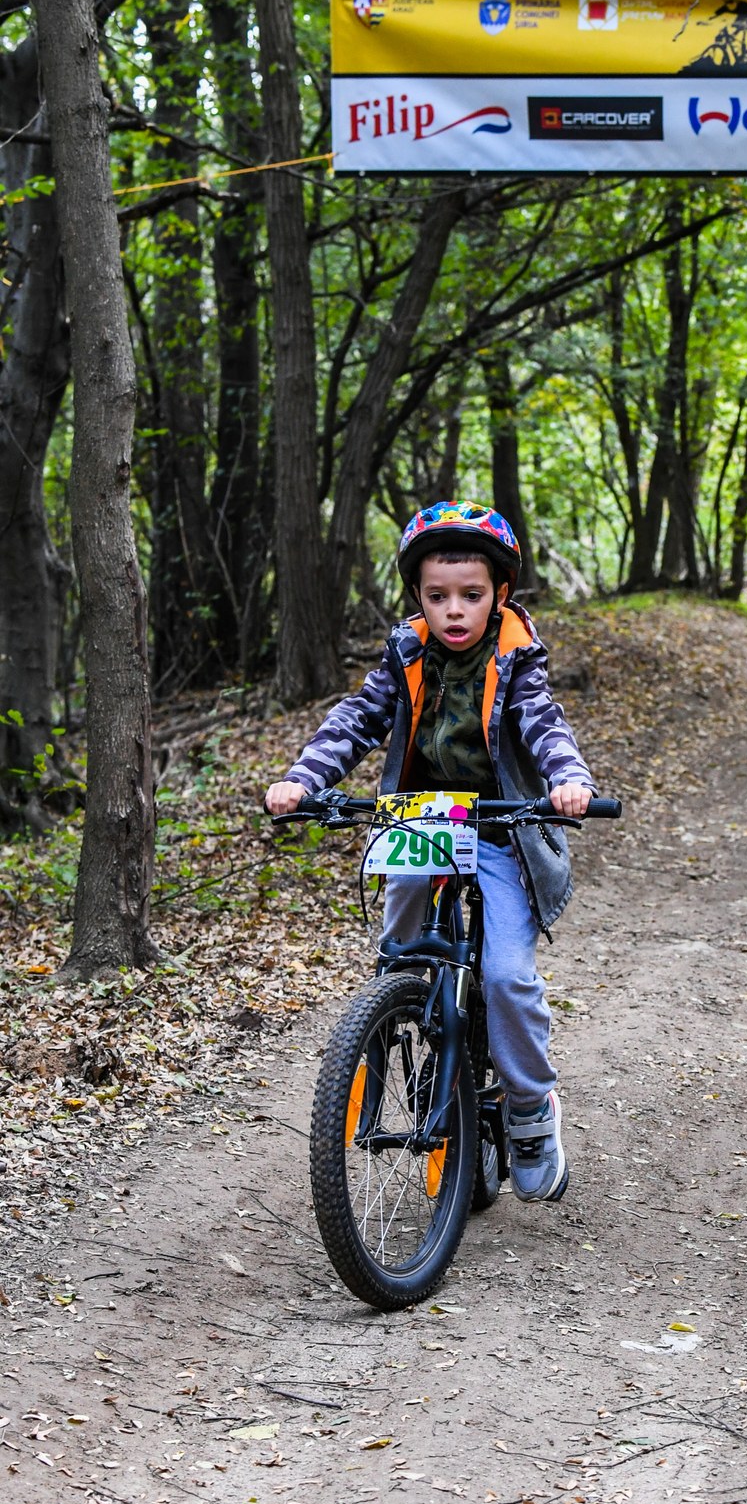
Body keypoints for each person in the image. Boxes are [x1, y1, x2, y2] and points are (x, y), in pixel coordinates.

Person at [264, 501, 593, 1203]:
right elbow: (358, 718)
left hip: (502, 827)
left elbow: (543, 724)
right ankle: (391, 1024)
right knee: (400, 948)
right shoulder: (407, 651)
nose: (453, 611)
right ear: (417, 594)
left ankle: (529, 1107)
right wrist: (304, 779)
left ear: (499, 594)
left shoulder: (516, 655)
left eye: (470, 595)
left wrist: (568, 780)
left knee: (505, 976)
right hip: (423, 818)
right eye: (437, 596)